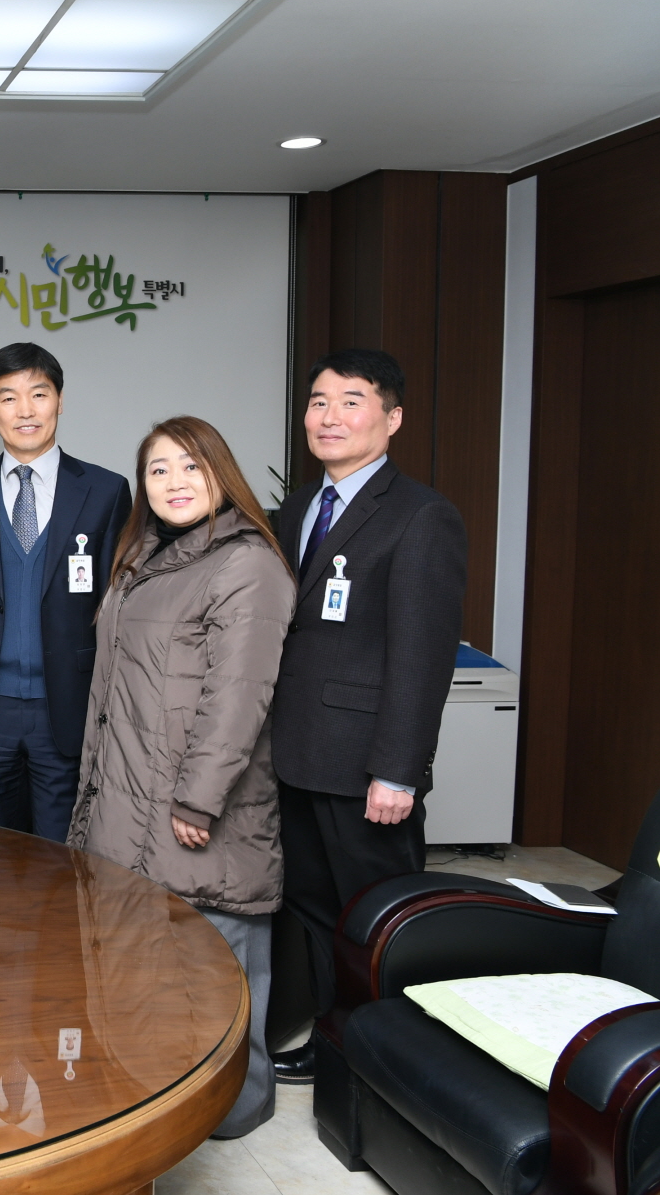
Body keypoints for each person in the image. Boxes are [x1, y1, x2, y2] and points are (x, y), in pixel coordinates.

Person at [67, 415, 295, 1139]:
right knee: (140, 974)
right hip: (125, 796)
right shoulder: (143, 558)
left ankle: (234, 1108)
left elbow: (239, 694)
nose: (171, 482)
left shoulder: (245, 562)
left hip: (192, 809)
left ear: (220, 474)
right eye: (157, 469)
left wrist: (198, 796)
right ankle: (159, 1100)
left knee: (213, 971)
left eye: (189, 466)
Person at [268, 349, 466, 1083]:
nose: (329, 416)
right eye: (318, 401)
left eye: (351, 401)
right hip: (295, 754)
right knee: (314, 910)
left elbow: (423, 655)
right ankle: (332, 1042)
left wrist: (398, 769)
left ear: (391, 418)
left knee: (381, 922)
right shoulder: (295, 508)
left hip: (365, 769)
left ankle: (393, 1062)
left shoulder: (420, 515)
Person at [0, 343, 132, 838]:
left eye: (39, 394)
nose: (26, 410)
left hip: (68, 708)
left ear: (59, 401)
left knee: (64, 852)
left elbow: (117, 611)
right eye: (9, 397)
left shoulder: (105, 491)